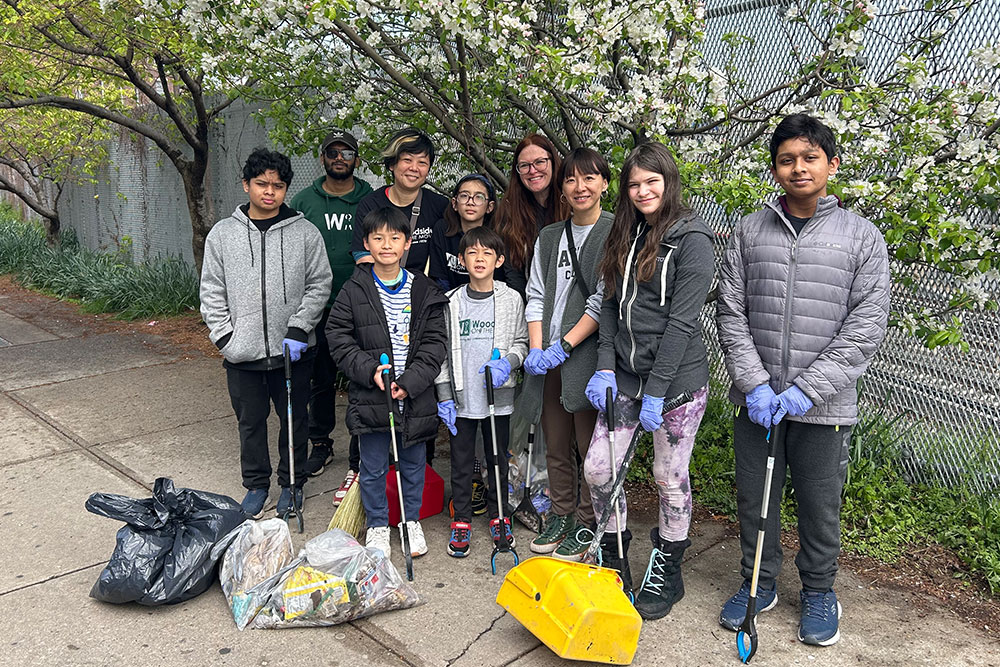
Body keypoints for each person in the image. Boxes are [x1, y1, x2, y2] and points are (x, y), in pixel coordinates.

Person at [715, 113, 890, 647]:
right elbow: (731, 312)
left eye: (810, 158)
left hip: (824, 407)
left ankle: (818, 590)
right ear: (774, 168)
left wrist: (805, 388)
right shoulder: (749, 230)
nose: (799, 168)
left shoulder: (861, 237)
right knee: (756, 499)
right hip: (759, 403)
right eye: (787, 159)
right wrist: (755, 384)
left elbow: (866, 325)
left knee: (819, 504)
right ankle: (758, 583)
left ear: (831, 165)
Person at [582, 142, 714, 619]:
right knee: (599, 470)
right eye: (634, 184)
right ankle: (614, 559)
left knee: (668, 477)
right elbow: (611, 310)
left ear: (669, 181)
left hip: (676, 383)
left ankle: (667, 570)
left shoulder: (694, 240)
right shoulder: (624, 232)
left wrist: (656, 391)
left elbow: (681, 324)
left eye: (651, 181)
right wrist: (603, 365)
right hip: (624, 377)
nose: (642, 191)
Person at [199, 147, 331, 519]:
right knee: (250, 423)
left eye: (277, 185)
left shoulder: (305, 233)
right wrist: (225, 336)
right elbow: (211, 289)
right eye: (261, 184)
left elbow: (320, 284)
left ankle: (293, 484)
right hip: (243, 354)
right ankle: (256, 485)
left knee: (295, 421)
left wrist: (299, 326)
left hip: (293, 352)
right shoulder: (223, 235)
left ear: (286, 188)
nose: (269, 192)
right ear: (246, 185)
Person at [326, 206, 448, 560]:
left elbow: (435, 343)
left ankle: (410, 521)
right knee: (373, 465)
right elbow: (338, 335)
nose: (386, 245)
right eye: (378, 238)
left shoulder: (424, 290)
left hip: (413, 396)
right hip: (372, 395)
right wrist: (369, 370)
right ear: (366, 243)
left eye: (395, 238)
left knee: (413, 464)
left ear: (407, 243)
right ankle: (378, 524)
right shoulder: (354, 289)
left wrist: (411, 381)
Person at [518, 147, 612, 561]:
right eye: (572, 179)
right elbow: (535, 293)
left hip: (586, 356)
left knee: (587, 443)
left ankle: (588, 521)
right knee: (555, 442)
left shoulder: (614, 232)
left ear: (605, 184)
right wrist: (538, 348)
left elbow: (602, 300)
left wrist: (565, 346)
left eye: (589, 178)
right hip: (549, 354)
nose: (580, 187)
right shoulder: (549, 236)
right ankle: (561, 514)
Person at [434, 226, 528, 557]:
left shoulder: (511, 299)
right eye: (472, 253)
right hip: (462, 400)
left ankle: (499, 514)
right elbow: (440, 352)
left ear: (499, 260)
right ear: (461, 260)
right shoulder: (450, 302)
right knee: (461, 461)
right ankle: (461, 519)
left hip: (497, 400)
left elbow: (523, 342)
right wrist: (444, 395)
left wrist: (509, 363)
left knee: (497, 458)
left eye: (487, 253)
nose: (479, 258)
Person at [290, 130, 373, 494]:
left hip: (360, 304)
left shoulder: (369, 198)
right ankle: (321, 444)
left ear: (357, 158)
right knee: (319, 381)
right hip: (317, 306)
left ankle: (360, 456)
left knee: (361, 380)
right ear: (322, 157)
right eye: (333, 152)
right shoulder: (304, 201)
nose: (340, 158)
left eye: (347, 152)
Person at [351, 128, 448, 273]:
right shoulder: (370, 204)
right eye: (407, 160)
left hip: (424, 290)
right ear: (392, 164)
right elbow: (362, 255)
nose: (414, 168)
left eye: (422, 162)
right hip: (379, 287)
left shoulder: (440, 205)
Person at [494, 134, 569, 299]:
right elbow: (513, 272)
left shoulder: (573, 205)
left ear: (553, 161)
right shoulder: (510, 212)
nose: (532, 170)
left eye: (540, 162)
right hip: (530, 305)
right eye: (524, 165)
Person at [428, 173, 499, 291]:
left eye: (479, 197)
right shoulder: (442, 229)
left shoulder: (498, 233)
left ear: (489, 207)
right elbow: (439, 278)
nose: (470, 202)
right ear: (455, 203)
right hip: (451, 300)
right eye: (464, 196)